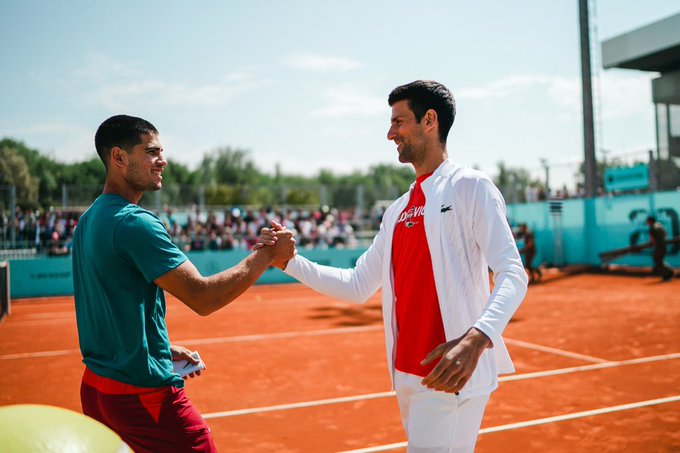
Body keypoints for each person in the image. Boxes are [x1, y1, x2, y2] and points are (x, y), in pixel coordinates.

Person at [261, 80, 528, 452]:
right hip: (405, 374)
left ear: (429, 120)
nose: (390, 133)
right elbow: (357, 284)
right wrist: (291, 262)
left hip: (449, 375)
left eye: (399, 121)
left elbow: (513, 274)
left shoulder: (471, 186)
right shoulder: (397, 209)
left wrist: (475, 340)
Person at [72, 115, 295, 453]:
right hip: (140, 395)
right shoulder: (134, 222)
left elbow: (109, 304)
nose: (162, 160)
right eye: (151, 152)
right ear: (118, 157)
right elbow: (202, 297)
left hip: (96, 390)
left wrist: (156, 347)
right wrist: (265, 256)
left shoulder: (88, 220)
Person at [646, 216, 674, 282]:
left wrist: (653, 243)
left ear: (650, 221)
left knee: (657, 261)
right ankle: (670, 271)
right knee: (660, 261)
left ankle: (667, 275)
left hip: (659, 247)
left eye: (647, 221)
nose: (646, 223)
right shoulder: (659, 225)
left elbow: (652, 239)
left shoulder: (652, 228)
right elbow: (665, 234)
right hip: (663, 245)